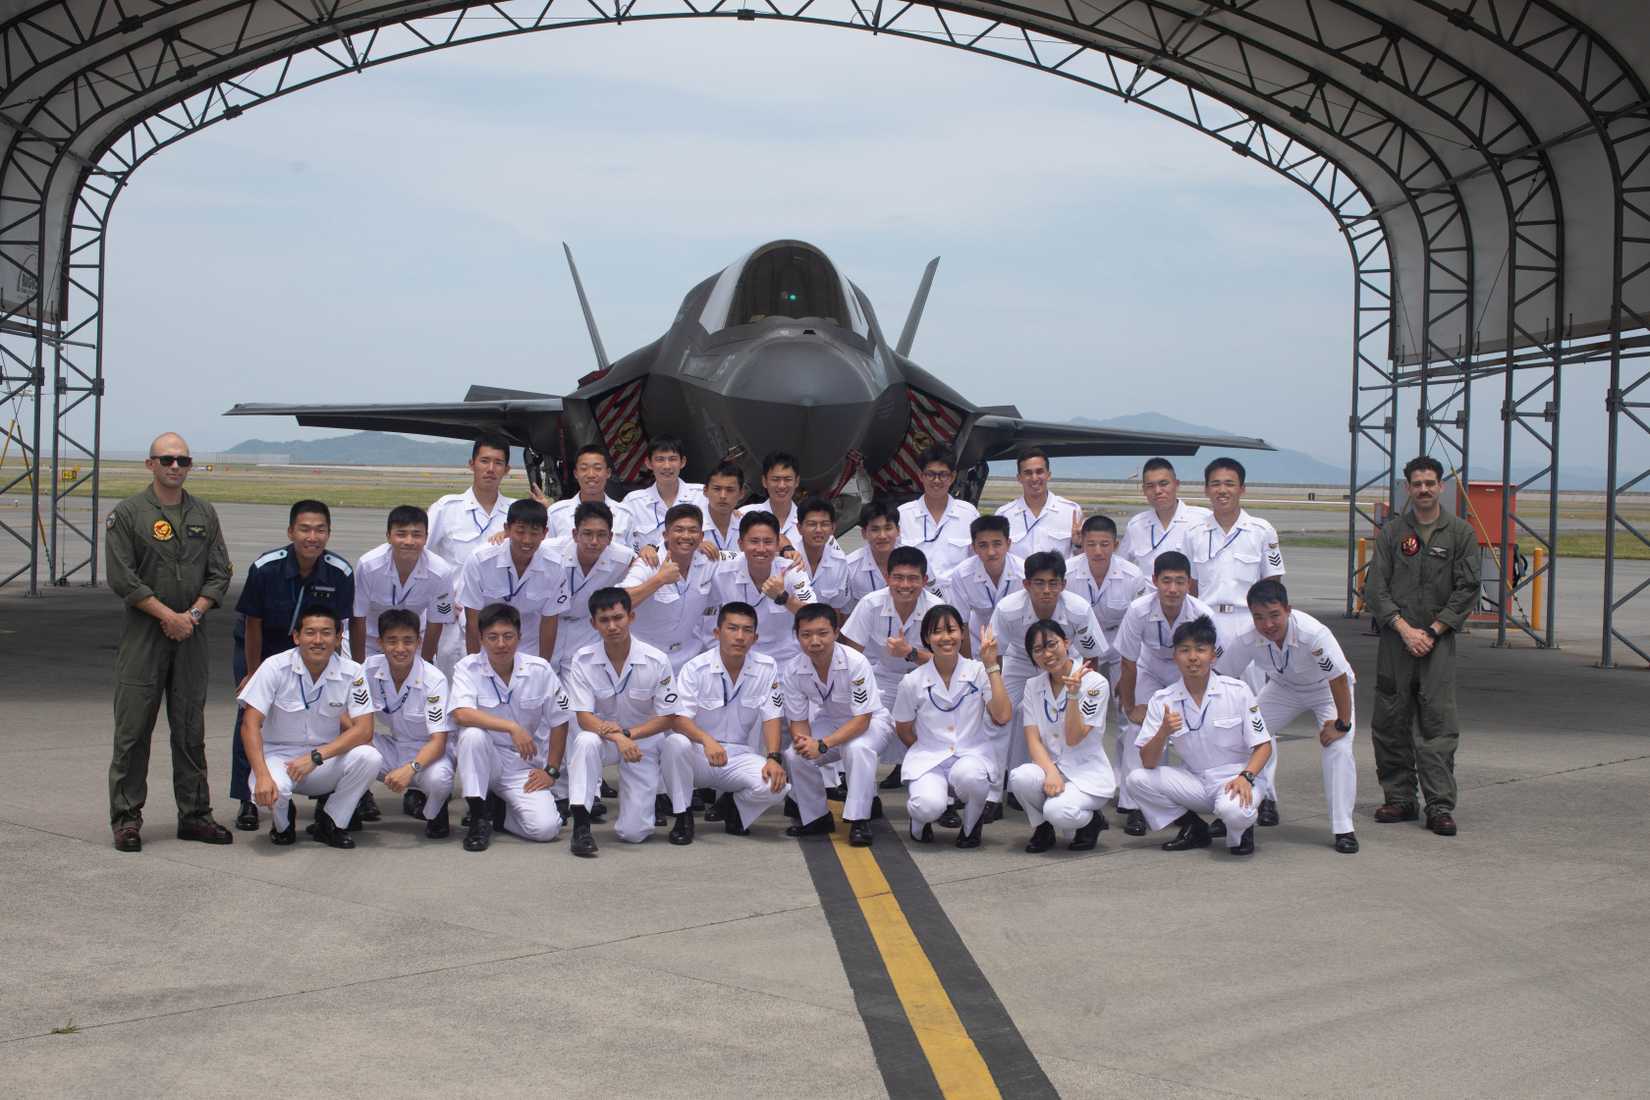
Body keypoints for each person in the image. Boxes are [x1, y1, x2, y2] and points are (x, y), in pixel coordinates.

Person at [105, 432, 234, 852]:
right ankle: (126, 820)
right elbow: (122, 576)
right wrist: (167, 616)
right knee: (132, 732)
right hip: (145, 637)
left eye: (182, 460)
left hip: (191, 638)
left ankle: (195, 815)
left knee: (190, 730)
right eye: (166, 460)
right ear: (150, 465)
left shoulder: (204, 513)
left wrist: (192, 615)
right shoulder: (128, 514)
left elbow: (220, 572)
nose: (175, 467)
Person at [1363, 455, 1481, 837]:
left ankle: (1439, 805)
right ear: (1408, 488)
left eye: (1430, 483)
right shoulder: (1394, 533)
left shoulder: (1460, 533)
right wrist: (1402, 628)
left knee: (1437, 725)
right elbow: (1375, 588)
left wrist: (1431, 630)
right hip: (1396, 643)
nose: (1424, 490)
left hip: (1438, 644)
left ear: (1441, 486)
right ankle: (1399, 798)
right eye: (1417, 484)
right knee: (1390, 720)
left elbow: (1467, 589)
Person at [229, 499, 355, 833]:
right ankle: (248, 798)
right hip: (263, 646)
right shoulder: (266, 567)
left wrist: (342, 671)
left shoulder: (340, 572)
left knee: (334, 715)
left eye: (320, 530)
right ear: (290, 532)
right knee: (252, 717)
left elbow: (339, 627)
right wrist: (253, 672)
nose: (312, 537)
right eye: (305, 529)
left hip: (316, 646)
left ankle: (331, 793)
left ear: (328, 533)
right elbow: (252, 621)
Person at [1218, 580, 1359, 853]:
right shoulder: (1247, 637)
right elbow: (1223, 675)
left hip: (1326, 690)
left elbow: (1339, 679)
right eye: (1259, 617)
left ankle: (1344, 828)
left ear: (1288, 610)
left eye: (1274, 615)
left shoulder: (1313, 633)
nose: (1267, 624)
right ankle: (1240, 810)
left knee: (1338, 748)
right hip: (1284, 688)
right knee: (1242, 736)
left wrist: (1342, 723)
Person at [236, 604, 382, 850]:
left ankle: (332, 822)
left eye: (326, 633)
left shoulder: (353, 672)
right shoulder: (274, 667)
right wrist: (261, 775)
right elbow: (249, 724)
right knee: (278, 790)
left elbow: (364, 729)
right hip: (278, 758)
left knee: (370, 757)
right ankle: (283, 824)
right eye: (310, 632)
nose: (318, 640)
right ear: (296, 637)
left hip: (322, 760)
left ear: (338, 639)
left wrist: (316, 756)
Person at [1128, 615, 1272, 856]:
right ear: (1175, 657)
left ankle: (1242, 830)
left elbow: (1264, 746)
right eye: (1184, 650)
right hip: (1196, 781)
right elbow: (1148, 761)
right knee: (1136, 779)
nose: (1192, 657)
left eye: (1200, 650)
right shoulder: (1163, 700)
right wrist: (1163, 732)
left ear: (1213, 655)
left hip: (1237, 779)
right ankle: (1194, 828)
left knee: (1234, 813)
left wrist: (1246, 777)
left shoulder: (1237, 691)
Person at [449, 603, 582, 853]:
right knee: (472, 735)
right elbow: (461, 713)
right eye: (493, 637)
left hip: (524, 764)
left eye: (508, 636)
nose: (501, 644)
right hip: (485, 761)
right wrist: (511, 727)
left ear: (519, 637)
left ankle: (497, 815)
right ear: (481, 639)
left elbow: (560, 720)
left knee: (546, 829)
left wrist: (551, 771)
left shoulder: (539, 669)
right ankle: (478, 817)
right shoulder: (467, 667)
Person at [987, 552, 1110, 812]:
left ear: (1063, 585)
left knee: (1064, 720)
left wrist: (1087, 684)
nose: (1046, 590)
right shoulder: (1008, 609)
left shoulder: (1078, 609)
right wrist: (995, 682)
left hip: (1063, 662)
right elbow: (995, 651)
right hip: (1021, 662)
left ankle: (1065, 775)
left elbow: (1091, 653)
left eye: (1053, 583)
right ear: (1026, 584)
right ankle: (994, 793)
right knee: (1003, 718)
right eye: (1039, 583)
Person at [662, 602, 790, 843]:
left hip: (739, 756)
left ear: (755, 637)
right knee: (675, 743)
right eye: (732, 628)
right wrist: (706, 740)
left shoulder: (766, 667)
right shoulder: (695, 668)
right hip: (699, 753)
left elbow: (772, 714)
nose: (739, 636)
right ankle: (682, 815)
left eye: (747, 630)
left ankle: (734, 805)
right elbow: (677, 719)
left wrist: (773, 757)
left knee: (777, 785)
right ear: (717, 633)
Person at [563, 588, 680, 848]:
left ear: (632, 617)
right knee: (584, 742)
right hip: (604, 739)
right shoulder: (582, 659)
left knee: (634, 833)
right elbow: (583, 716)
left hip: (643, 742)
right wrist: (618, 737)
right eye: (604, 620)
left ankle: (640, 811)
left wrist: (629, 736)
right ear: (593, 623)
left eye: (618, 618)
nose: (612, 626)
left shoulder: (656, 660)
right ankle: (581, 826)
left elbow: (668, 717)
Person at [1113, 551, 1217, 836]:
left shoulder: (1202, 613)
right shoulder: (1138, 610)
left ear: (1189, 584)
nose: (1173, 589)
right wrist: (1132, 706)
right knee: (1138, 728)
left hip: (1188, 669)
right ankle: (1134, 807)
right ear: (1155, 581)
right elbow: (1128, 661)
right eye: (1167, 581)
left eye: (1180, 582)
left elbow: (1208, 659)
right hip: (1149, 668)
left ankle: (1196, 793)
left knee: (1196, 728)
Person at [892, 606, 1012, 848]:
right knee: (927, 806)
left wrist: (992, 666)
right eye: (937, 632)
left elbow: (1002, 715)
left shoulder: (978, 671)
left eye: (951, 630)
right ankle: (919, 823)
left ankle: (971, 827)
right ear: (926, 638)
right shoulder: (912, 681)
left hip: (970, 754)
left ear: (962, 634)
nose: (945, 637)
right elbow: (903, 727)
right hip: (929, 759)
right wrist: (925, 748)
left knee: (973, 777)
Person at [781, 604, 899, 846]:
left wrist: (822, 745)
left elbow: (862, 720)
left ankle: (859, 820)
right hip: (830, 723)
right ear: (797, 636)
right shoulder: (793, 669)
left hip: (871, 723)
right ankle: (816, 817)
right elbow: (798, 720)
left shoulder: (855, 662)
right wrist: (807, 743)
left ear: (836, 632)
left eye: (822, 633)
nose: (815, 641)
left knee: (856, 748)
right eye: (806, 634)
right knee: (794, 754)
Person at [1008, 620, 1117, 852]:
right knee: (1020, 778)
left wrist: (1074, 696)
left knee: (1058, 811)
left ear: (1066, 643)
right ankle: (1043, 828)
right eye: (1037, 650)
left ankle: (1091, 822)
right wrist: (1050, 772)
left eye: (1051, 644)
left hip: (1086, 774)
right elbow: (1033, 738)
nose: (1047, 654)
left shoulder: (1095, 683)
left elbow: (1075, 737)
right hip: (1052, 767)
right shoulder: (1032, 685)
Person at [360, 609, 457, 838]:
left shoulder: (434, 680)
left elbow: (439, 741)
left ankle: (435, 813)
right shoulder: (368, 669)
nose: (400, 649)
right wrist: (362, 739)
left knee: (440, 780)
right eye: (392, 641)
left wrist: (410, 768)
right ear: (380, 642)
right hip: (392, 748)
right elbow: (347, 714)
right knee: (349, 746)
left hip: (430, 754)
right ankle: (353, 803)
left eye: (408, 641)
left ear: (419, 642)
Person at [426, 435, 517, 677]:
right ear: (471, 464)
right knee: (452, 691)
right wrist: (438, 597)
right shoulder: (447, 509)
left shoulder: (516, 513)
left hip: (501, 623)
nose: (490, 469)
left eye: (498, 463)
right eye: (484, 461)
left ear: (507, 469)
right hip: (455, 622)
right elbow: (419, 555)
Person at [456, 498, 565, 660]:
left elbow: (549, 621)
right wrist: (474, 665)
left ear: (545, 533)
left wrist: (544, 667)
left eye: (534, 533)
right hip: (486, 634)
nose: (527, 540)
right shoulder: (481, 560)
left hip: (528, 637)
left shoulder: (555, 566)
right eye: (520, 531)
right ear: (507, 529)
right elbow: (473, 620)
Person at [349, 504, 458, 663]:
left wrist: (425, 666)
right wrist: (358, 666)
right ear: (388, 536)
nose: (409, 541)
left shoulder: (441, 572)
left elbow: (436, 623)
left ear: (426, 537)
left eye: (416, 535)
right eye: (401, 534)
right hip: (370, 641)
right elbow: (358, 617)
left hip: (412, 643)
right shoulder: (368, 566)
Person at [840, 546, 940, 714]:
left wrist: (910, 652)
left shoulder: (937, 609)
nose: (905, 585)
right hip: (882, 679)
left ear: (924, 580)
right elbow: (850, 655)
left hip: (926, 680)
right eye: (898, 577)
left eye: (913, 578)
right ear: (887, 578)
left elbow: (946, 661)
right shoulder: (870, 604)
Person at [545, 501, 641, 675]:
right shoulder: (549, 551)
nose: (594, 542)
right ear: (575, 534)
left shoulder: (623, 557)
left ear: (611, 537)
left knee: (577, 691)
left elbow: (647, 564)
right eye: (587, 534)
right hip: (547, 625)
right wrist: (503, 535)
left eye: (601, 535)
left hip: (586, 631)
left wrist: (649, 549)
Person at [709, 511, 816, 666]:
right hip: (737, 655)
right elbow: (691, 553)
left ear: (778, 543)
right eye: (754, 541)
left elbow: (814, 616)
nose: (761, 549)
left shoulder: (792, 570)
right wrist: (699, 544)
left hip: (784, 659)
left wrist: (783, 597)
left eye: (768, 542)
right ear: (740, 544)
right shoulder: (723, 566)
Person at [626, 502, 719, 671]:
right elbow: (619, 602)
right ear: (665, 535)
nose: (686, 536)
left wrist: (784, 547)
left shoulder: (709, 560)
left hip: (690, 658)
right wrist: (658, 580)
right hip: (646, 659)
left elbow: (750, 556)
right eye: (679, 530)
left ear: (701, 536)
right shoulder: (649, 562)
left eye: (693, 530)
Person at [1064, 514, 1151, 670]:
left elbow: (1140, 619)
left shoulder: (1132, 575)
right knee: (1081, 689)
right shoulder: (1067, 572)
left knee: (1125, 688)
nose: (1098, 551)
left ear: (1115, 545)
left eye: (1104, 544)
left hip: (1119, 639)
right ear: (1082, 544)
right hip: (1080, 639)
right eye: (1091, 544)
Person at [897, 443, 980, 581]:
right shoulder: (903, 515)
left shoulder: (969, 514)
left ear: (953, 477)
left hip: (957, 597)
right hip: (915, 595)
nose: (936, 480)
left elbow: (976, 559)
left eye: (943, 475)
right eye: (930, 474)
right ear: (921, 476)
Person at [940, 514, 1024, 646]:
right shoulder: (962, 575)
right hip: (977, 642)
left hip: (1016, 644)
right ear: (973, 547)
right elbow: (961, 623)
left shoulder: (1024, 572)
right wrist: (968, 665)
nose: (991, 552)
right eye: (983, 545)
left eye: (997, 544)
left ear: (1008, 544)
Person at [1120, 458, 1212, 575]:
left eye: (1164, 484)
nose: (1158, 491)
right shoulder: (1136, 525)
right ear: (1144, 490)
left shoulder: (1203, 519)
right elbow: (1121, 567)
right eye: (1150, 486)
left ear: (1176, 484)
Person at [619, 437, 705, 552]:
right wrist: (639, 555)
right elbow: (620, 543)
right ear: (648, 463)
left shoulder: (703, 495)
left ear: (683, 462)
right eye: (660, 459)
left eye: (672, 459)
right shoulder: (633, 502)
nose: (667, 466)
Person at [995, 449, 1081, 560]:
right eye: (1028, 473)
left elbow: (1081, 559)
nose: (1034, 478)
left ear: (1048, 475)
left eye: (1039, 472)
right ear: (1019, 478)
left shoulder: (1071, 511)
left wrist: (1079, 544)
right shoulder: (1004, 514)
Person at [547, 445, 634, 545]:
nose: (591, 475)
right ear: (575, 474)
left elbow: (632, 556)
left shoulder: (624, 515)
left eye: (598, 468)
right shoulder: (556, 514)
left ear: (608, 473)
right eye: (584, 469)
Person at [735, 451, 805, 549]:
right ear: (764, 481)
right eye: (775, 479)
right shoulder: (743, 514)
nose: (781, 485)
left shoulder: (808, 520)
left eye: (787, 479)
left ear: (796, 482)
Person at [842, 498, 901, 611]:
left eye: (888, 528)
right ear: (864, 533)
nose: (882, 536)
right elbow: (845, 613)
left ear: (898, 530)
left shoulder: (914, 560)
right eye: (875, 529)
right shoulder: (850, 567)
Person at [794, 496, 851, 612]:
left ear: (833, 528)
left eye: (824, 524)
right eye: (812, 524)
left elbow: (837, 608)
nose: (818, 530)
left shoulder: (839, 562)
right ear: (799, 528)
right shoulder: (788, 558)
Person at [699, 460, 746, 559]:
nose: (723, 496)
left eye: (730, 490)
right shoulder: (689, 524)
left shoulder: (748, 526)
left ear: (741, 493)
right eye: (717, 489)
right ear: (705, 491)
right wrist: (690, 548)